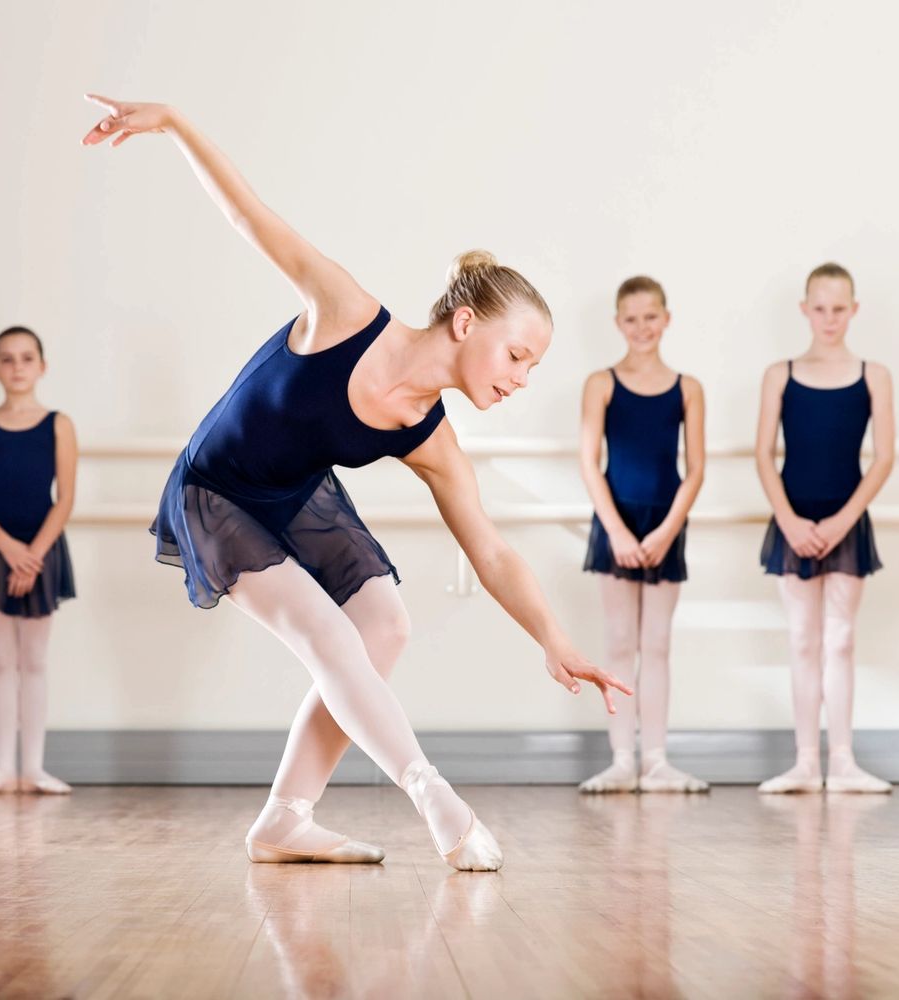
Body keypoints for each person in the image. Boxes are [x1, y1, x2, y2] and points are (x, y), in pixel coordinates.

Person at [83, 95, 630, 870]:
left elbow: (493, 553)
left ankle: (284, 817)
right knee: (330, 635)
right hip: (216, 491)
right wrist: (173, 123)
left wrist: (555, 640)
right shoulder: (348, 313)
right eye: (517, 356)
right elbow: (249, 216)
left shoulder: (432, 440)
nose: (522, 379)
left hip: (294, 492)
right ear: (468, 323)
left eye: (533, 369)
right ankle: (438, 801)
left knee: (386, 626)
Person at [755, 263, 893, 794]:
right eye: (821, 308)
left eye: (840, 309)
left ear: (853, 310)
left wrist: (841, 521)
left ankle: (843, 761)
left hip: (847, 518)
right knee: (801, 640)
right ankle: (805, 763)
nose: (830, 318)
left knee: (840, 639)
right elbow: (766, 456)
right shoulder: (780, 374)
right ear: (805, 310)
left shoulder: (873, 374)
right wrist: (790, 520)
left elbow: (882, 458)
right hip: (792, 520)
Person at [578, 276, 708, 793]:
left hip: (665, 520)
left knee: (656, 643)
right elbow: (590, 463)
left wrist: (666, 530)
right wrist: (617, 532)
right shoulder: (601, 383)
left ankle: (656, 760)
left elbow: (695, 469)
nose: (641, 328)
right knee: (619, 642)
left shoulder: (688, 388)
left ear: (667, 318)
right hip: (616, 519)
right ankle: (621, 760)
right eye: (631, 319)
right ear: (618, 324)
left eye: (650, 317)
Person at [0, 326, 78, 795]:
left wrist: (34, 554)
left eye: (26, 358)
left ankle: (34, 768)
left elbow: (64, 498)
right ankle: (2, 767)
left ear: (42, 366)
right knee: (1, 662)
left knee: (35, 662)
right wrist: (8, 549)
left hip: (42, 548)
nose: (17, 367)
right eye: (7, 359)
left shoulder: (59, 424)